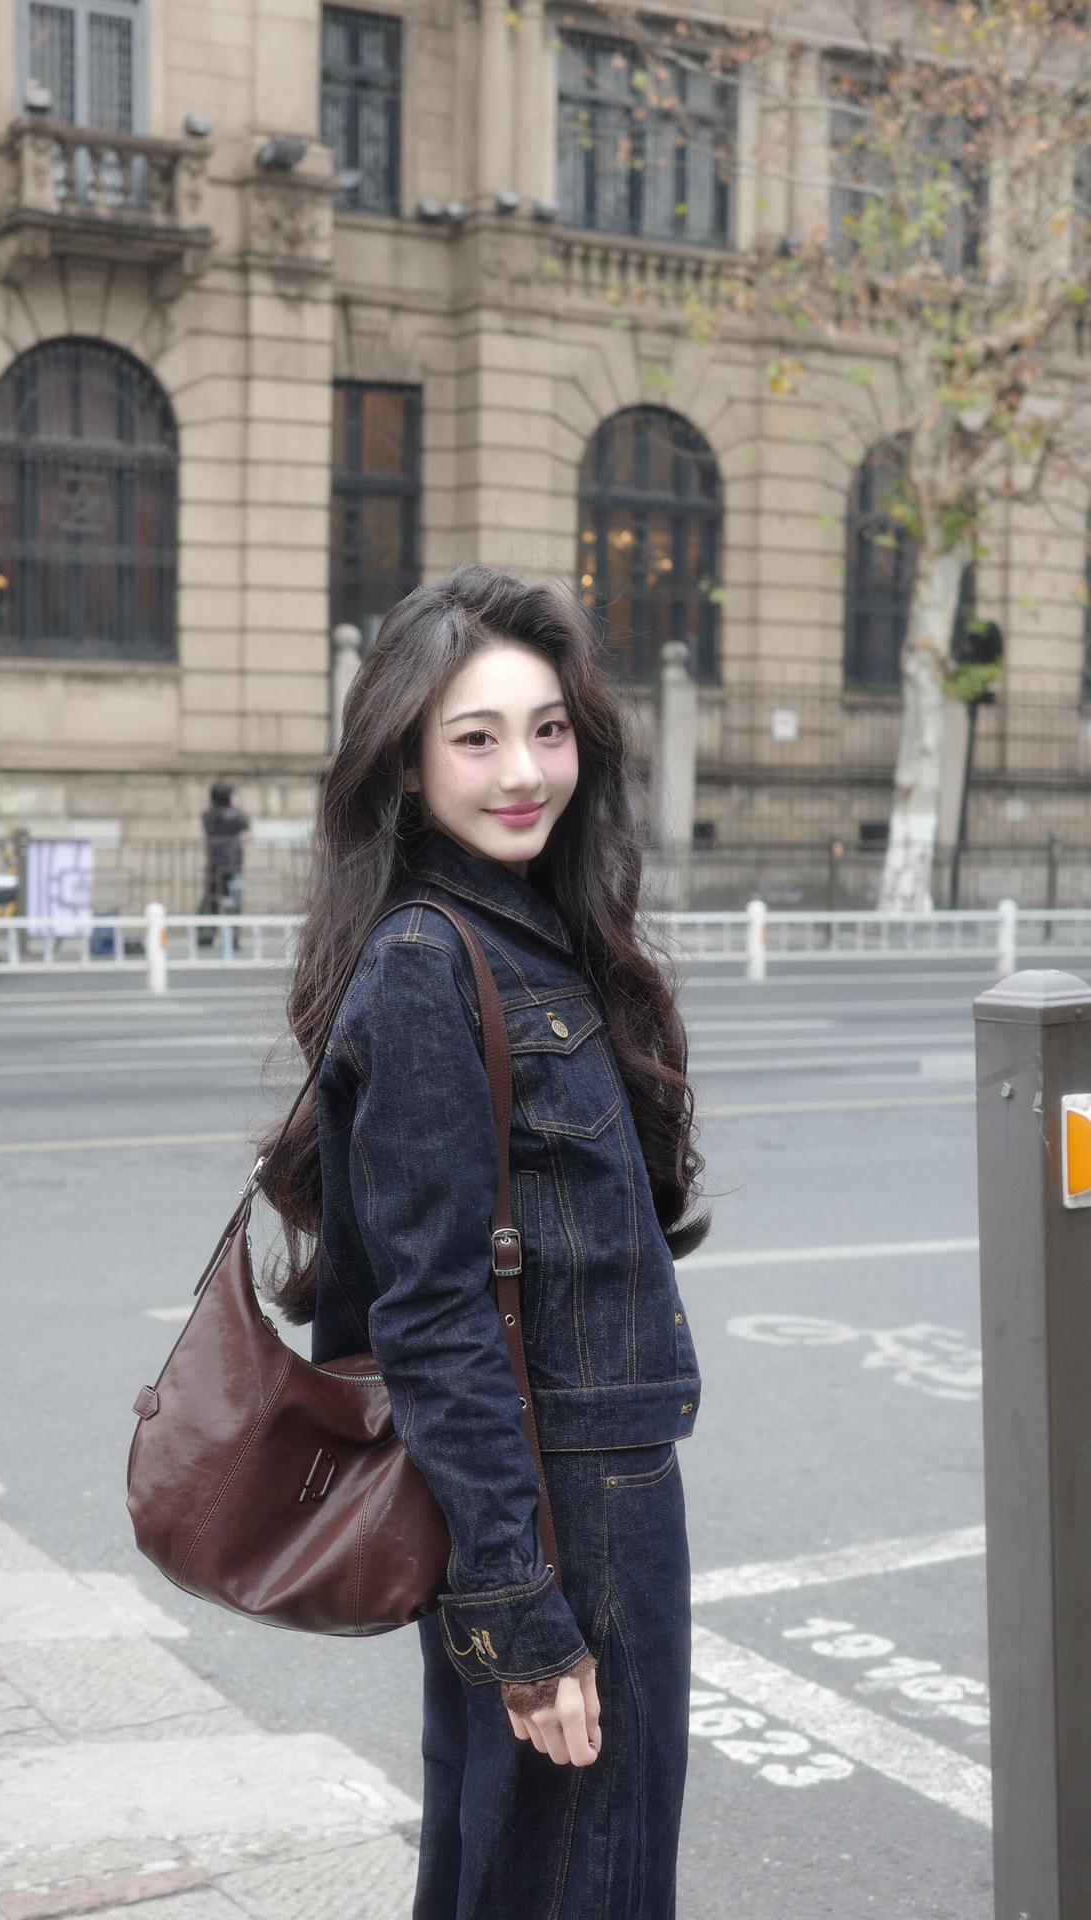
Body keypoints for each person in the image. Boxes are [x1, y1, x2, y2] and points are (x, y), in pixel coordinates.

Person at [256, 565, 707, 1918]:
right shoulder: (428, 964)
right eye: (476, 737)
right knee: (577, 1883)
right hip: (553, 1517)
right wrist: (522, 1618)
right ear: (404, 763)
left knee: (526, 1875)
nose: (524, 770)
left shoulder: (535, 932)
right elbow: (433, 1318)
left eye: (549, 729)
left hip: (594, 1495)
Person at [198, 780, 250, 947]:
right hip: (232, 863)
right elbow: (245, 823)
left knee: (211, 900)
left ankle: (206, 936)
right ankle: (233, 938)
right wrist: (235, 805)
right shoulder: (234, 814)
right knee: (233, 901)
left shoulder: (208, 815)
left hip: (214, 863)